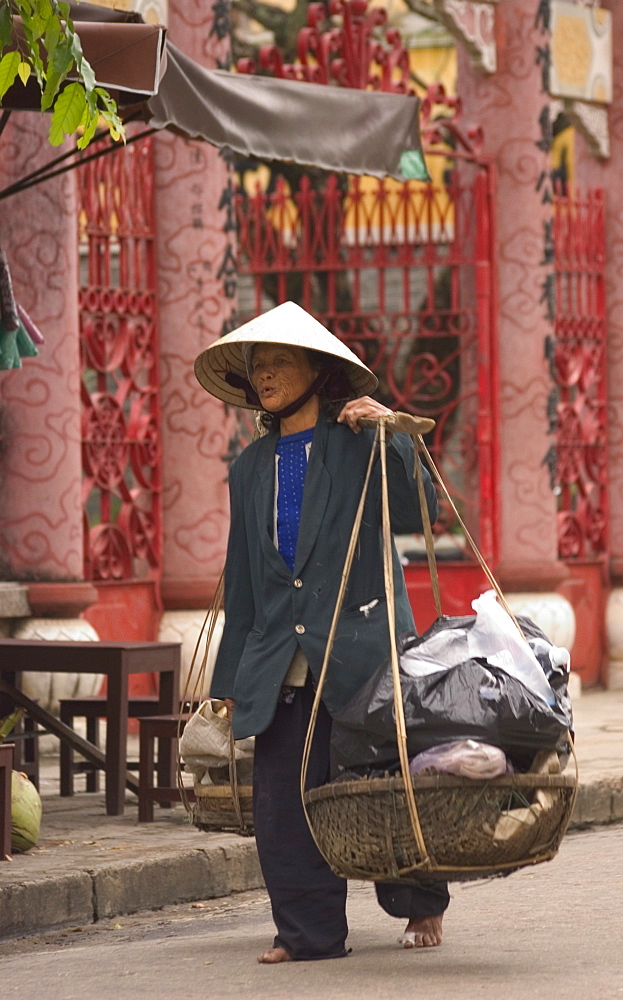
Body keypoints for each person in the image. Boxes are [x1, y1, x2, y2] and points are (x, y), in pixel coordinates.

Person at [194, 301, 450, 963]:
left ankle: (420, 904)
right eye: (259, 366)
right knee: (282, 803)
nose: (267, 374)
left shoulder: (361, 442)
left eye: (280, 361)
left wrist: (391, 430)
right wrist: (225, 686)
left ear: (317, 371)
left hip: (360, 648)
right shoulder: (250, 468)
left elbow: (418, 493)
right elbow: (244, 579)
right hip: (280, 656)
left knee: (382, 787)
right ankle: (307, 934)